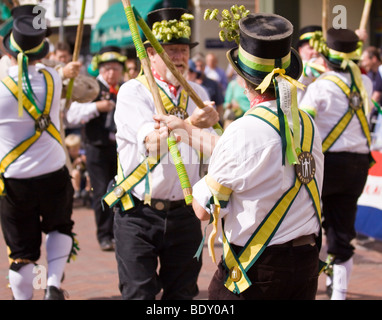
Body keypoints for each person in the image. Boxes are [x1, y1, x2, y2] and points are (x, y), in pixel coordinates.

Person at [104, 7, 219, 300]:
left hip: (186, 212)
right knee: (139, 294)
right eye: (169, 50)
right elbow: (153, 143)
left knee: (182, 295)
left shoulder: (197, 92)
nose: (179, 56)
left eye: (182, 49)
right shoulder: (134, 92)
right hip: (138, 213)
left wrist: (207, 132)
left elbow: (216, 150)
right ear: (149, 54)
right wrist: (191, 125)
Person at [0, 15, 75, 300]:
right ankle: (53, 284)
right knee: (59, 228)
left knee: (21, 252)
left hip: (14, 179)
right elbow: (50, 69)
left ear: (10, 51)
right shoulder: (52, 77)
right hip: (54, 171)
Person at [300, 28, 374, 300]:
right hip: (357, 165)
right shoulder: (364, 85)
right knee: (342, 231)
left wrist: (306, 75)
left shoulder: (320, 86)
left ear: (324, 55)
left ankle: (303, 281)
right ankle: (338, 295)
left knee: (306, 226)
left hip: (326, 164)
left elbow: (303, 122)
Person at [66, 46, 126, 251]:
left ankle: (118, 232)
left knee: (120, 191)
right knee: (101, 191)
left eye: (116, 69)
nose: (112, 73)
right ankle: (104, 235)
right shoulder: (91, 88)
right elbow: (72, 115)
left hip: (119, 149)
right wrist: (96, 107)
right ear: (100, 69)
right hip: (96, 148)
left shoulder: (125, 89)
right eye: (107, 68)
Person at [295, 25, 325, 102]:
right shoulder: (295, 69)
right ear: (300, 50)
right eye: (311, 48)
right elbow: (308, 68)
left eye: (319, 48)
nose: (316, 52)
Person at [192, 52, 225, 122]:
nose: (199, 69)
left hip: (210, 122)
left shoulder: (213, 83)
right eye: (197, 66)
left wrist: (216, 120)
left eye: (201, 66)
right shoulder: (189, 84)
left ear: (205, 67)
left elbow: (219, 104)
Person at [65, 134, 91, 203]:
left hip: (84, 172)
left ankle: (87, 191)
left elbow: (89, 166)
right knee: (75, 173)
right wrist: (75, 163)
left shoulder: (82, 154)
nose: (76, 151)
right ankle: (76, 191)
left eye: (77, 149)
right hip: (74, 174)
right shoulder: (68, 157)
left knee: (89, 175)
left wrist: (85, 160)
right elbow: (69, 169)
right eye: (73, 150)